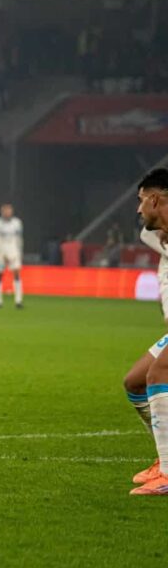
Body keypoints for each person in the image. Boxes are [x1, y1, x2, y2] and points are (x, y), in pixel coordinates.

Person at [123, 167, 168, 494]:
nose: (138, 209)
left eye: (141, 201)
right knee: (135, 381)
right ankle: (164, 458)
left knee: (158, 374)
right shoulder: (153, 236)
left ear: (154, 200)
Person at [0, 203, 24, 309]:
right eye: (5, 211)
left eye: (9, 211)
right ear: (2, 212)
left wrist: (19, 252)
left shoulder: (17, 223)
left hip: (13, 251)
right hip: (0, 252)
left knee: (17, 274)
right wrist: (2, 254)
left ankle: (18, 300)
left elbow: (19, 239)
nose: (7, 213)